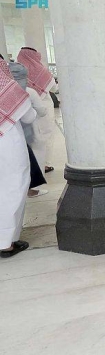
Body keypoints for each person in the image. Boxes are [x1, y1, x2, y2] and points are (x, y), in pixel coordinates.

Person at [0, 58, 37, 258]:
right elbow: (29, 117)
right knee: (13, 188)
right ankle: (6, 242)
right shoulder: (8, 88)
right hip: (8, 145)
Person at [8, 61, 49, 198]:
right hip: (23, 135)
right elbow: (30, 117)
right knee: (30, 162)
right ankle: (31, 190)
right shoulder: (27, 91)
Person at [17, 47, 58, 174]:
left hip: (24, 109)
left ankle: (31, 166)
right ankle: (45, 164)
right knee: (45, 137)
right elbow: (54, 89)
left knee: (29, 138)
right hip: (43, 108)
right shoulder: (43, 71)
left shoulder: (17, 72)